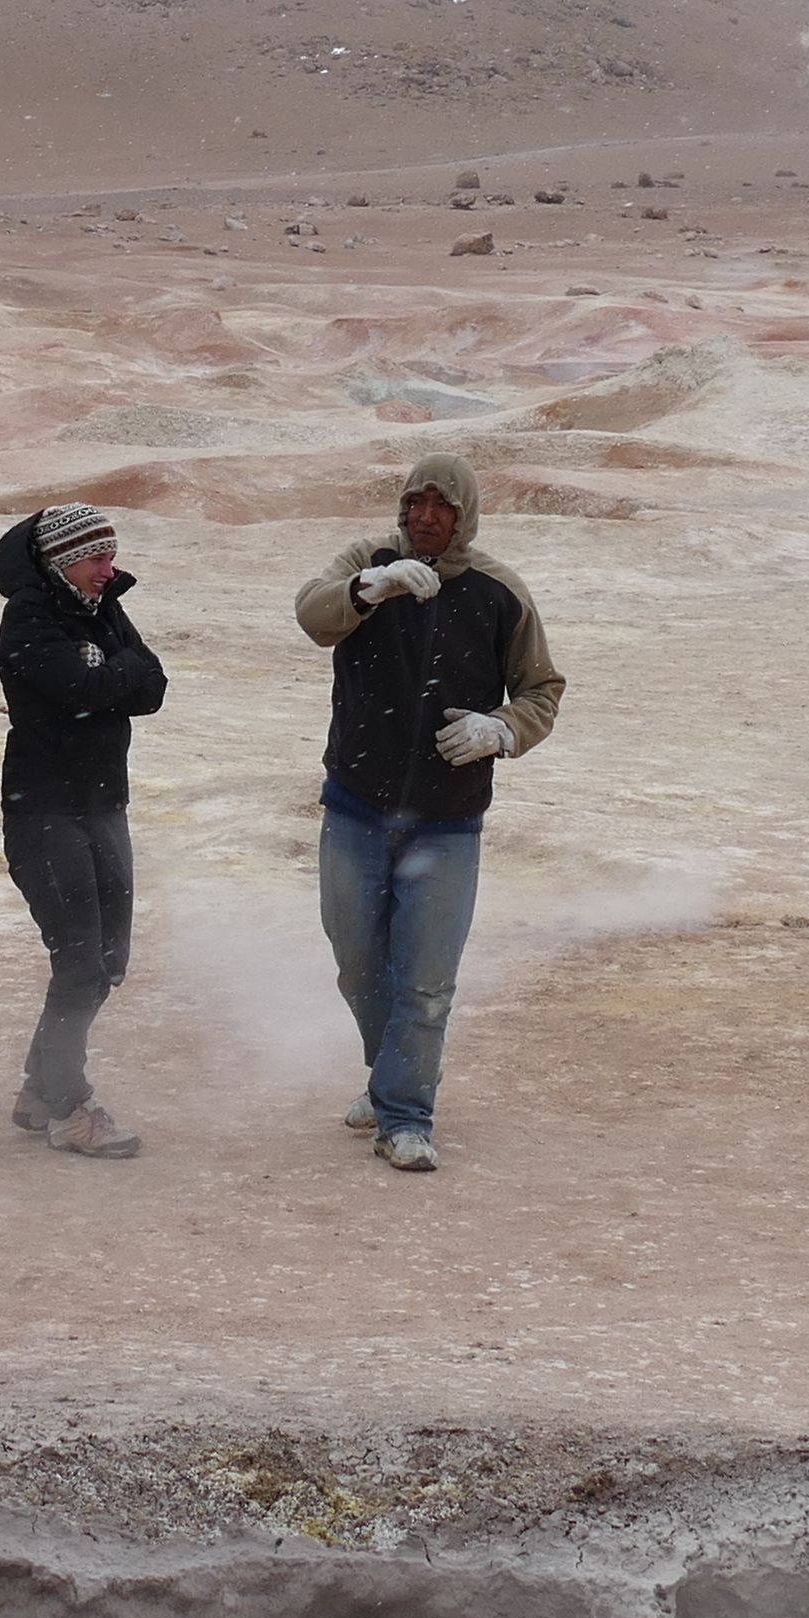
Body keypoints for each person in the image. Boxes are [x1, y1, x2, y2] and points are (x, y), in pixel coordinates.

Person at [293, 450, 564, 1173]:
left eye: (442, 506)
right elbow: (312, 617)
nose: (425, 518)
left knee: (425, 978)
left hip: (448, 821)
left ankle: (406, 1115)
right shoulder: (368, 562)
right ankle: (391, 1083)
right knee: (358, 965)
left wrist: (501, 730)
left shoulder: (498, 592)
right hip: (356, 806)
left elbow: (542, 689)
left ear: (465, 513)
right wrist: (368, 589)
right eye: (416, 503)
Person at [0, 498, 164, 1159]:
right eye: (97, 557)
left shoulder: (101, 608)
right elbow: (82, 691)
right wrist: (108, 678)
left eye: (111, 556)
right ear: (62, 560)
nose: (108, 571)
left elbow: (153, 685)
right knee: (80, 962)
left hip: (102, 807)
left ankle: (40, 1089)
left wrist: (102, 676)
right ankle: (68, 1107)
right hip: (44, 814)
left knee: (107, 962)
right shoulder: (27, 620)